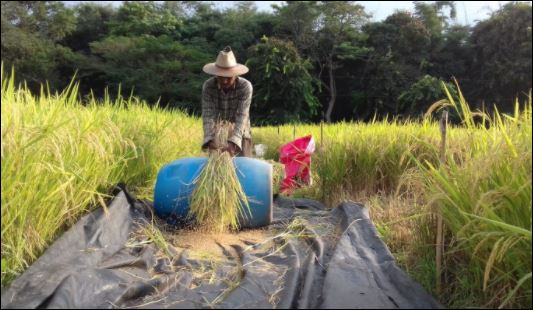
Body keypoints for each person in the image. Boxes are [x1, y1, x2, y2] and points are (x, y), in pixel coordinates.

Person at [201, 46, 253, 157]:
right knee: (216, 170)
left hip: (240, 133)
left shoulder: (245, 87)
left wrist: (233, 142)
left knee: (243, 169)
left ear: (235, 74)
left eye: (228, 77)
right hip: (217, 135)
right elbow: (208, 114)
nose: (224, 81)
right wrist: (210, 139)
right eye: (221, 76)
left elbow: (242, 116)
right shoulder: (208, 86)